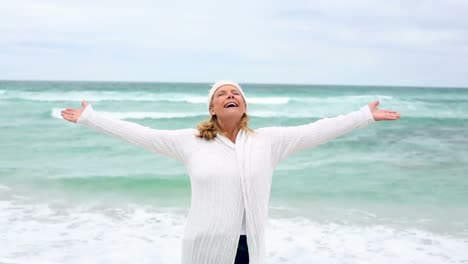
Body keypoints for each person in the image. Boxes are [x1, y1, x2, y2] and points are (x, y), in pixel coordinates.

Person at [61, 80, 400, 264]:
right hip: (204, 248)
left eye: (236, 92)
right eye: (221, 94)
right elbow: (142, 135)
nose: (230, 95)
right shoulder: (190, 142)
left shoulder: (269, 141)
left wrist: (362, 116)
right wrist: (93, 119)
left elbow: (317, 129)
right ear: (212, 108)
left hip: (248, 248)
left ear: (244, 105)